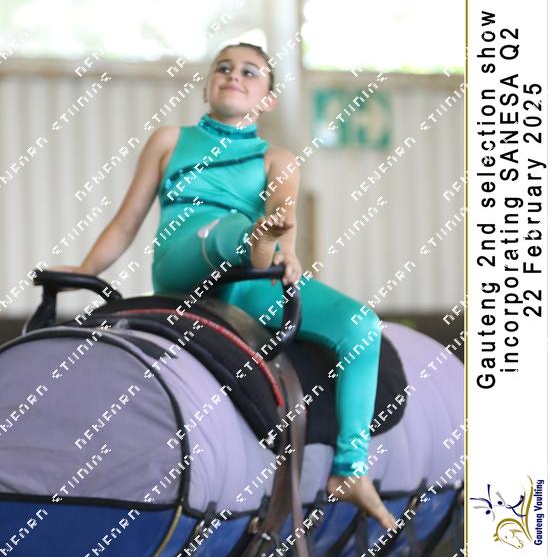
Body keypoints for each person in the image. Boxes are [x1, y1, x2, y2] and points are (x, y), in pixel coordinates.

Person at [52, 42, 396, 529]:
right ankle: (252, 239)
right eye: (224, 68)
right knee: (232, 229)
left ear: (267, 100)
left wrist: (286, 251)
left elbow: (285, 221)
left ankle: (351, 469)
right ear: (207, 87)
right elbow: (126, 223)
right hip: (185, 261)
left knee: (361, 325)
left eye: (250, 72)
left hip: (247, 281)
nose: (235, 75)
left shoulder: (278, 159)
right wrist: (85, 272)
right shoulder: (169, 140)